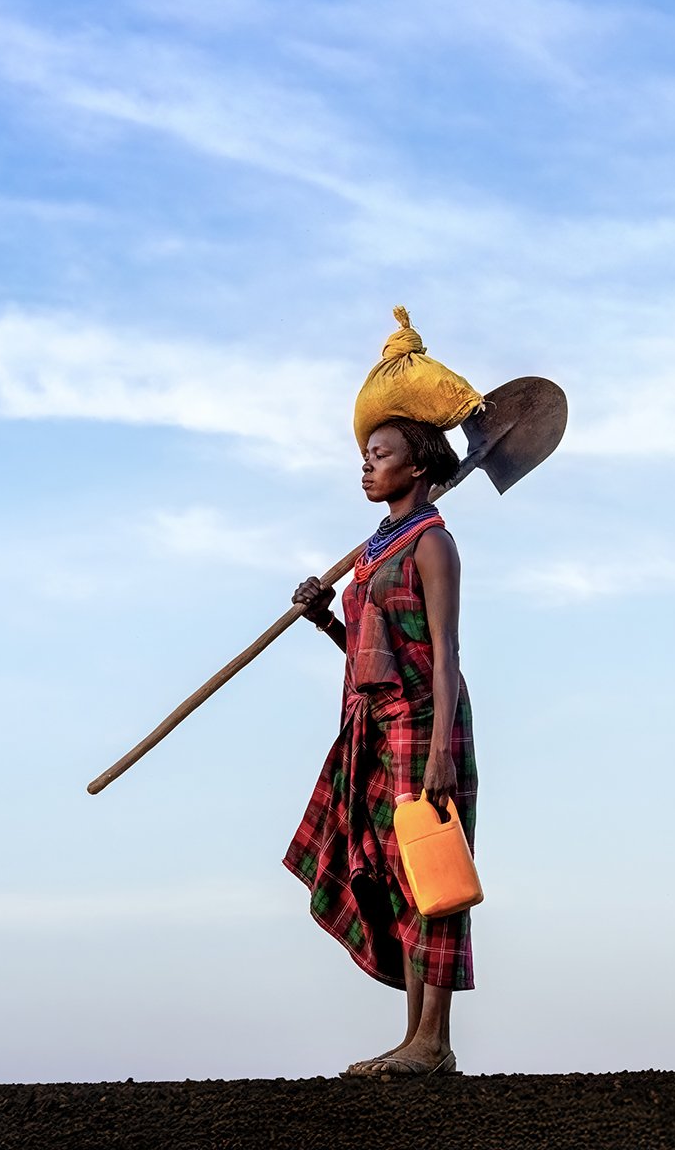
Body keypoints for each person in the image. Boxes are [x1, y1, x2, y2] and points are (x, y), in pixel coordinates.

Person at [283, 416, 478, 1078]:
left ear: (417, 467)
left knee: (436, 877)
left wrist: (442, 751)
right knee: (398, 878)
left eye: (381, 455)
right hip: (377, 729)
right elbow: (376, 657)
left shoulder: (431, 545)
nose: (366, 468)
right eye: (365, 456)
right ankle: (413, 1042)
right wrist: (324, 618)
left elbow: (444, 652)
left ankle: (435, 1041)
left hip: (427, 723)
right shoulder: (374, 554)